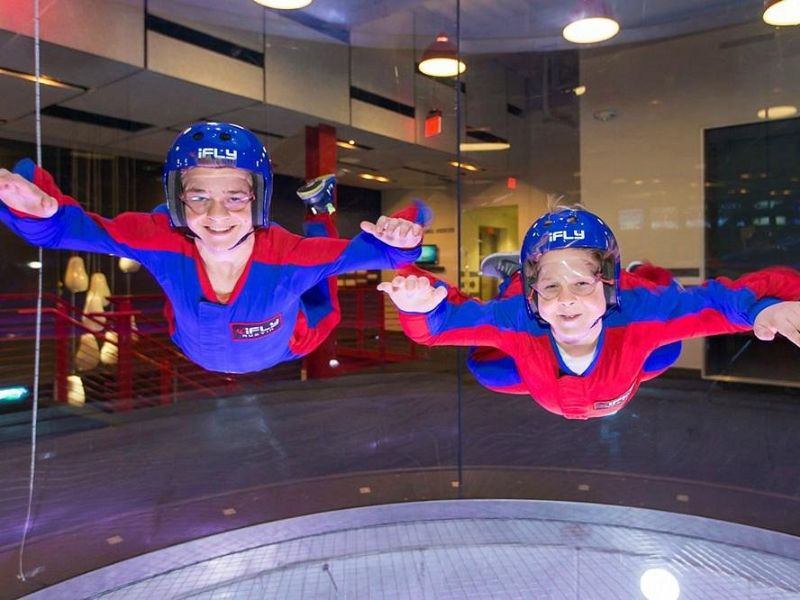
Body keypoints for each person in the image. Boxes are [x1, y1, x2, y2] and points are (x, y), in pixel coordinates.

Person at [0, 122, 427, 374]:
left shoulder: (287, 255)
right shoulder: (162, 234)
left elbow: (379, 254)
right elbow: (75, 232)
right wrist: (42, 213)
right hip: (195, 342)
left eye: (235, 197)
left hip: (289, 342)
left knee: (322, 289)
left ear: (258, 198)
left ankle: (319, 209)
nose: (218, 216)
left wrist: (402, 238)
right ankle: (310, 209)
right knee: (162, 231)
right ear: (177, 196)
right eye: (199, 196)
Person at [379, 200, 800, 419]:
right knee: (487, 369)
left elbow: (718, 302)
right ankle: (515, 276)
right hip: (541, 378)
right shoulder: (520, 318)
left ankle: (640, 271)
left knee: (664, 332)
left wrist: (765, 309)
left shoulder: (637, 312)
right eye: (551, 286)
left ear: (606, 282)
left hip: (631, 355)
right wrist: (419, 305)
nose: (567, 300)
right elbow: (440, 324)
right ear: (535, 291)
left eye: (582, 283)